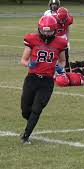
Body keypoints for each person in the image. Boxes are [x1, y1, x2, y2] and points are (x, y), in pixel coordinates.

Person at [20, 16, 67, 144]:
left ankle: (26, 135)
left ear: (55, 30)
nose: (46, 34)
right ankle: (30, 122)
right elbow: (23, 60)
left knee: (37, 108)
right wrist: (29, 64)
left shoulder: (60, 43)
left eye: (49, 31)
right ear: (39, 29)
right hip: (32, 79)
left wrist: (60, 67)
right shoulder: (32, 39)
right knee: (25, 110)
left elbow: (63, 61)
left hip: (47, 81)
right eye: (44, 31)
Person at [53, 7, 74, 72]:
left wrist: (67, 40)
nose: (62, 21)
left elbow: (67, 28)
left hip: (63, 37)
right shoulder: (52, 19)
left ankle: (67, 73)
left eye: (63, 19)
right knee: (54, 57)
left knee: (66, 57)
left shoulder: (69, 19)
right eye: (60, 19)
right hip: (54, 38)